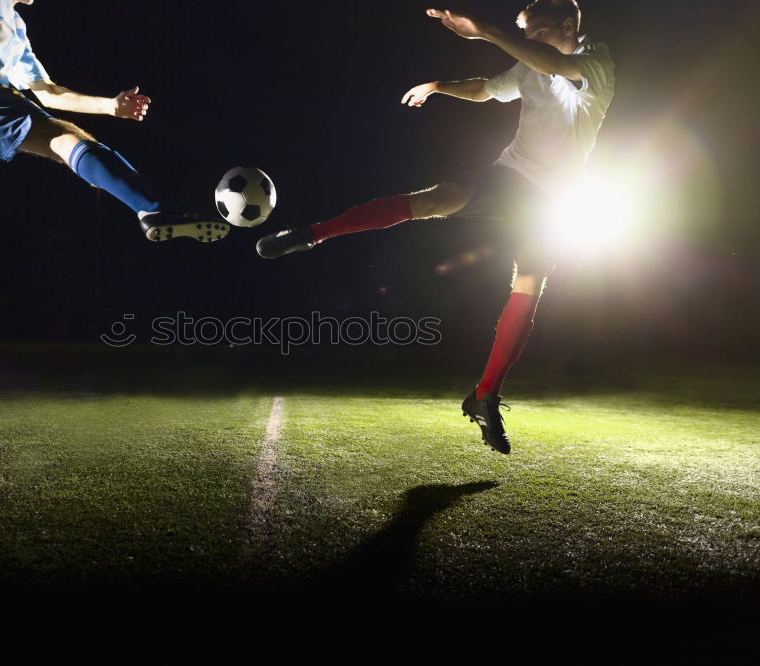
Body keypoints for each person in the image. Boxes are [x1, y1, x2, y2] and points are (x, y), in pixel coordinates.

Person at [256, 0, 615, 454]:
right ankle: (312, 233)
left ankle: (485, 396)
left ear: (567, 26)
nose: (528, 42)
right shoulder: (530, 63)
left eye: (537, 32)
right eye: (523, 34)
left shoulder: (595, 64)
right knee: (437, 199)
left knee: (529, 284)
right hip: (511, 177)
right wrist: (438, 86)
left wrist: (483, 30)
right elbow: (488, 89)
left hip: (555, 198)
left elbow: (556, 64)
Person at [0, 0, 229, 432]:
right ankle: (152, 210)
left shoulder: (15, 33)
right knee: (59, 137)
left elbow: (48, 90)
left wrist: (110, 107)